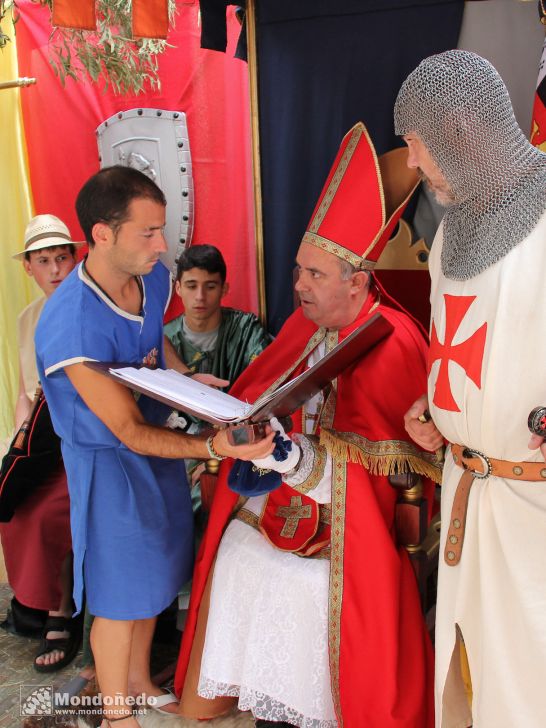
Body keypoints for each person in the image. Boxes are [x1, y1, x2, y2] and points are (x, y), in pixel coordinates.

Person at [174, 123, 441, 728]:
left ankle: (313, 709)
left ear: (358, 280)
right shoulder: (305, 321)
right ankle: (268, 699)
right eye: (297, 269)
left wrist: (298, 461)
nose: (297, 285)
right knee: (238, 550)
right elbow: (258, 393)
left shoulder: (395, 340)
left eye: (314, 275)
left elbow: (403, 468)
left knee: (300, 585)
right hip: (289, 483)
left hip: (359, 512)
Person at [34, 165, 275, 728]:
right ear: (101, 235)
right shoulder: (70, 323)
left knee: (154, 577)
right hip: (109, 462)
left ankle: (140, 682)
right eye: (147, 233)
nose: (162, 245)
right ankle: (117, 716)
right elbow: (127, 430)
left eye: (161, 230)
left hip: (159, 446)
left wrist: (188, 380)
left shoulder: (152, 276)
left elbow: (153, 344)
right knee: (120, 597)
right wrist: (213, 446)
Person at [394, 50, 546, 728]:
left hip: (532, 510)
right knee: (468, 677)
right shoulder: (454, 233)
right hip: (463, 495)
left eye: (414, 145)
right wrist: (435, 408)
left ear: (457, 128)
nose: (411, 166)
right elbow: (459, 350)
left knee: (528, 684)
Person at [0, 214, 82, 672]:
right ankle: (33, 601)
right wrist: (17, 437)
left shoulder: (89, 309)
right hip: (38, 440)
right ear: (28, 268)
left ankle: (59, 609)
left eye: (62, 257)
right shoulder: (26, 318)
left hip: (79, 440)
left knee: (50, 509)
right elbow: (23, 390)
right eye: (44, 260)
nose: (55, 269)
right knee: (12, 500)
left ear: (75, 259)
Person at [164, 243, 272, 391]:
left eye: (210, 287)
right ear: (178, 288)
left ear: (224, 289)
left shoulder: (246, 331)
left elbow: (265, 384)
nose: (200, 297)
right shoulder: (165, 340)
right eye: (191, 286)